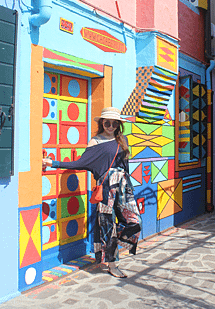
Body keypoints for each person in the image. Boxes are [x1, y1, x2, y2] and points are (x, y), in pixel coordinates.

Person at [42, 107, 141, 278]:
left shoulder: (122, 139)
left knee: (135, 222)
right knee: (107, 226)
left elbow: (126, 165)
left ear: (119, 125)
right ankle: (112, 264)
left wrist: (129, 187)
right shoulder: (95, 142)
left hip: (124, 185)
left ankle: (112, 243)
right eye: (107, 122)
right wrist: (53, 163)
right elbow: (80, 163)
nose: (110, 126)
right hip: (106, 187)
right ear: (102, 123)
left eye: (114, 123)